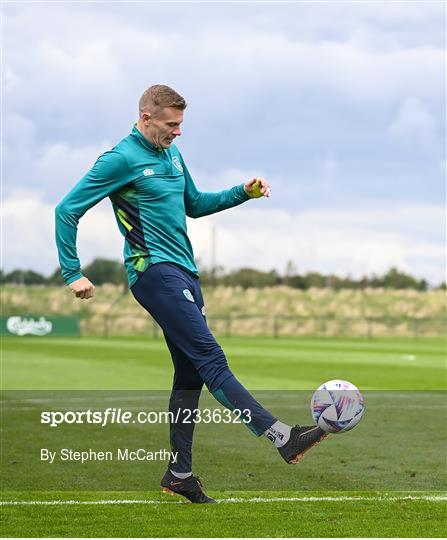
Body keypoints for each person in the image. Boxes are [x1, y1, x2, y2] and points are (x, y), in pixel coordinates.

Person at [55, 84, 327, 504]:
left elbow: (195, 204)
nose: (178, 132)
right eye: (170, 125)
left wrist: (243, 193)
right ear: (146, 118)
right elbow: (66, 209)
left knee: (190, 375)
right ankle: (282, 436)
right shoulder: (120, 159)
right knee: (211, 358)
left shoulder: (173, 155)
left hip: (184, 273)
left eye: (180, 124)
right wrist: (73, 272)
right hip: (153, 272)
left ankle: (179, 473)